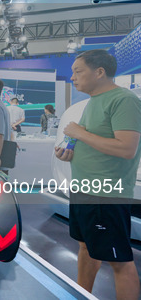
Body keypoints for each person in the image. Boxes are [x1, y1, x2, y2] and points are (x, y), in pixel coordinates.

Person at [55, 49, 141, 299]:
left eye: (78, 71)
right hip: (83, 190)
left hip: (106, 194)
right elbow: (94, 140)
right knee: (86, 248)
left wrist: (80, 134)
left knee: (119, 260)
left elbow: (126, 148)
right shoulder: (93, 101)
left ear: (100, 72)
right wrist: (70, 150)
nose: (72, 77)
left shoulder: (124, 99)